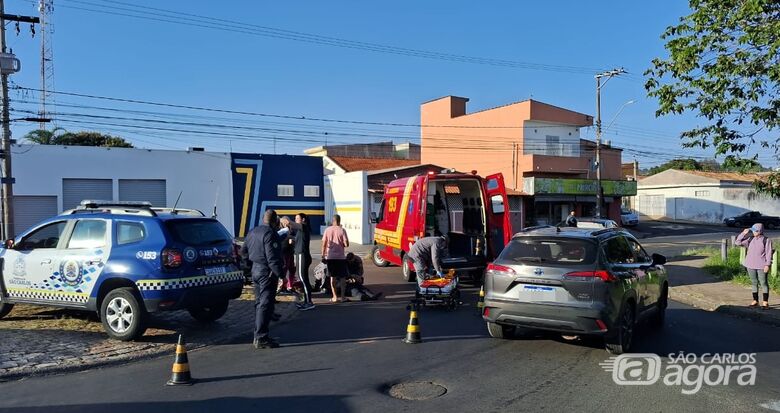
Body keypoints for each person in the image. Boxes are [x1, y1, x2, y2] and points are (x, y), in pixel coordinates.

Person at [242, 209, 285, 349]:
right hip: (266, 272)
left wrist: (248, 269)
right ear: (275, 221)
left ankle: (258, 333)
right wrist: (281, 274)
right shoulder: (271, 234)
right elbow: (272, 257)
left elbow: (244, 252)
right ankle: (261, 337)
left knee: (259, 303)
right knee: (265, 304)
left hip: (255, 270)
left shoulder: (252, 232)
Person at [735, 223, 774, 310]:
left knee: (763, 283)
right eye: (752, 230)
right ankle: (755, 301)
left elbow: (768, 254)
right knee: (754, 283)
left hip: (761, 266)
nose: (753, 232)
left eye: (754, 230)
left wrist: (767, 265)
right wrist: (743, 234)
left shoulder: (766, 240)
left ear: (759, 231)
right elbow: (737, 243)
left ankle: (765, 302)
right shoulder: (750, 239)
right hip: (750, 265)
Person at [321, 214, 350, 302]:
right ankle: (343, 297)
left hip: (330, 257)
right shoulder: (342, 230)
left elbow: (324, 244)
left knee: (332, 277)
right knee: (342, 278)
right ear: (339, 221)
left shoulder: (327, 230)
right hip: (341, 257)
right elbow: (346, 244)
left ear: (333, 221)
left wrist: (323, 255)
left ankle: (335, 297)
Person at [292, 213, 315, 311]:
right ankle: (306, 301)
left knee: (303, 278)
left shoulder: (303, 227)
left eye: (297, 218)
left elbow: (292, 224)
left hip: (303, 255)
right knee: (303, 278)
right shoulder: (300, 230)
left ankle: (309, 302)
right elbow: (298, 240)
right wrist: (292, 240)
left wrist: (286, 222)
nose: (296, 220)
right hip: (300, 255)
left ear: (303, 220)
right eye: (295, 218)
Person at [277, 217, 297, 295]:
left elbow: (295, 239)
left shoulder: (291, 230)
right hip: (283, 253)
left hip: (290, 252)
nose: (287, 223)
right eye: (286, 222)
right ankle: (282, 287)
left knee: (292, 269)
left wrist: (293, 241)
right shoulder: (280, 231)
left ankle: (290, 286)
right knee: (284, 269)